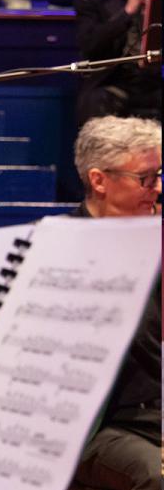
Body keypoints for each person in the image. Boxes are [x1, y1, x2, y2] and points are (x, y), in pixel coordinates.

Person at [66, 116, 161, 490]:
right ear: (99, 180)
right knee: (156, 476)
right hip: (99, 424)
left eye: (158, 175)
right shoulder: (58, 247)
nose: (155, 189)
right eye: (145, 178)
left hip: (152, 414)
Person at [74, 0, 160, 124]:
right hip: (111, 83)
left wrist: (152, 10)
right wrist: (129, 10)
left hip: (150, 85)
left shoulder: (155, 1)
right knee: (97, 100)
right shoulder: (90, 1)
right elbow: (91, 47)